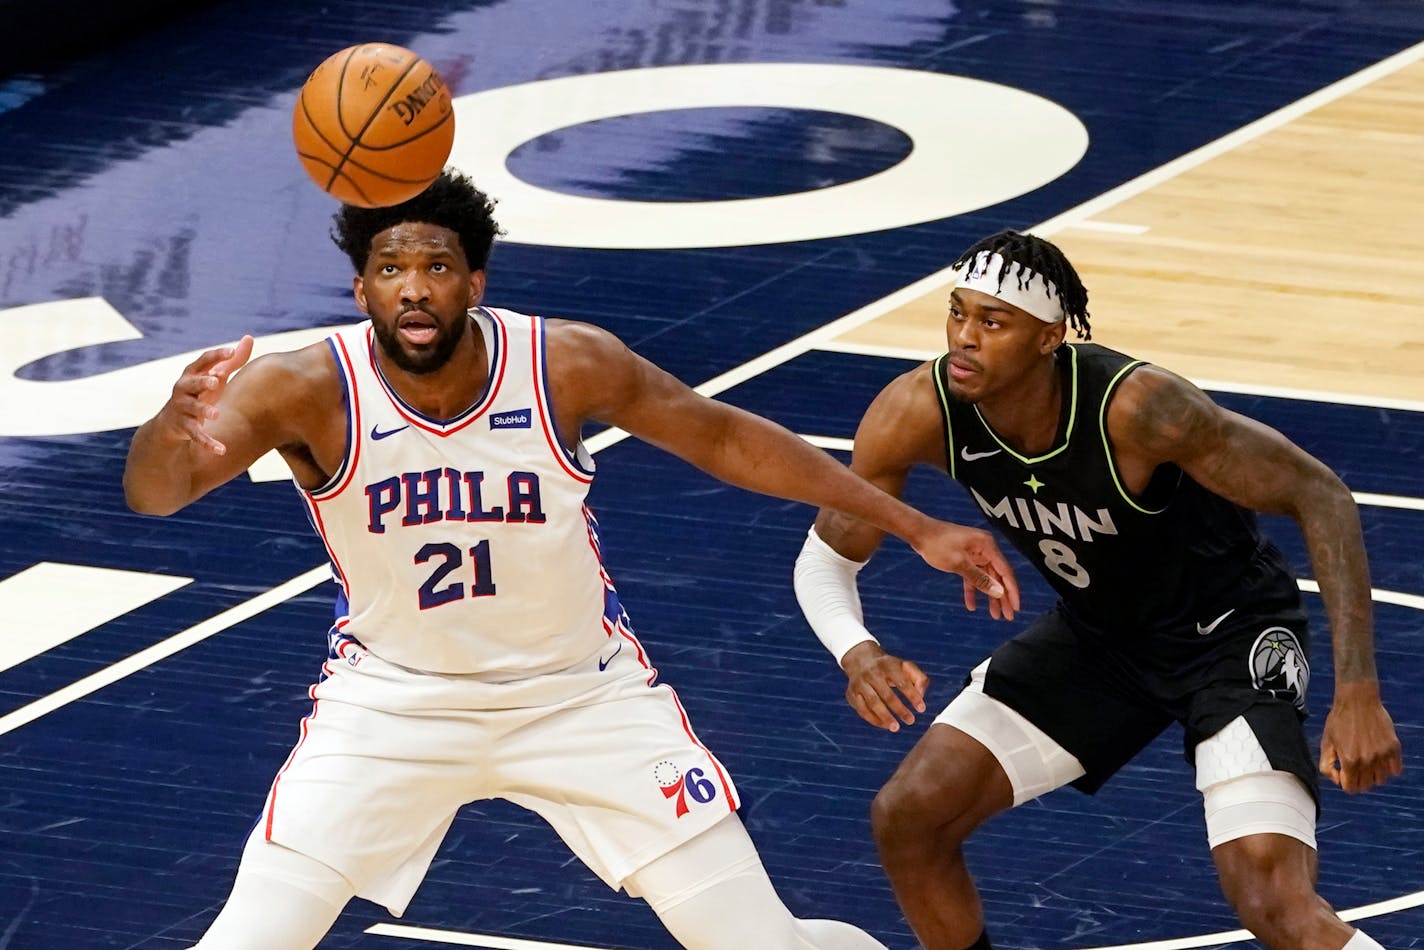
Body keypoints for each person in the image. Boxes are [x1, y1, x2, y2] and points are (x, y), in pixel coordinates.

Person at [122, 170, 1020, 950]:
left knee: (759, 939)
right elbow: (158, 492)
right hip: (393, 707)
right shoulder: (302, 385)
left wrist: (910, 524)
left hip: (583, 698)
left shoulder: (562, 363)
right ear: (361, 290)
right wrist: (173, 423)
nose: (414, 290)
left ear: (474, 280)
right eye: (391, 269)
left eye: (436, 267)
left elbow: (723, 437)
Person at [794, 229, 1403, 950]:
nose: (964, 338)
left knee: (1270, 898)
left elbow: (1321, 494)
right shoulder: (918, 409)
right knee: (910, 815)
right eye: (957, 313)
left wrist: (1358, 689)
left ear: (1050, 336)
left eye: (993, 322)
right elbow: (827, 552)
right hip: (1100, 639)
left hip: (1230, 639)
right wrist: (857, 651)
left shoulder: (1139, 408)